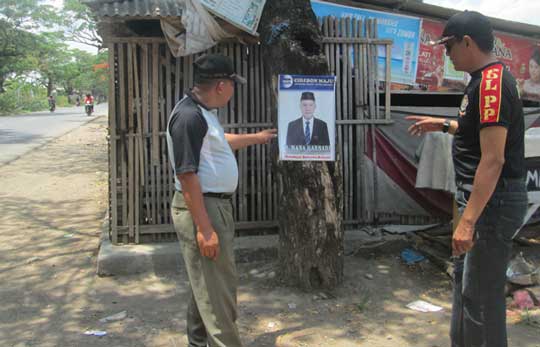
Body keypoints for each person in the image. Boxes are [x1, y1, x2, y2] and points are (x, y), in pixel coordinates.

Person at [407, 11, 527, 347]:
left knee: (481, 300)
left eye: (449, 46)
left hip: (492, 202)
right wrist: (442, 125)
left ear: (468, 42)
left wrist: (468, 221)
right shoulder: (483, 80)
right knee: (466, 289)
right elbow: (481, 134)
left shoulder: (491, 83)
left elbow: (493, 157)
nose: (446, 54)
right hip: (482, 200)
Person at [166, 53, 276, 347]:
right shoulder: (188, 117)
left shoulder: (202, 111)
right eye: (232, 84)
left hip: (212, 206)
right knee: (220, 290)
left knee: (206, 282)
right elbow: (187, 175)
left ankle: (197, 342)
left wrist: (257, 137)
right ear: (221, 85)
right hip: (204, 208)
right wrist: (205, 229)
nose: (233, 90)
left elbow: (217, 141)